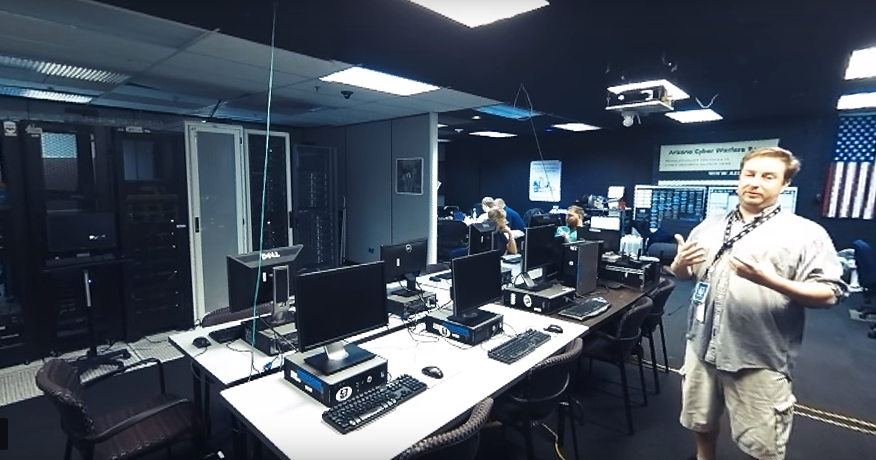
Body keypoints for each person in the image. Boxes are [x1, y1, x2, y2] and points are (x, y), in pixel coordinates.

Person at [670, 147, 847, 460]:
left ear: (784, 184)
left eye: (768, 177)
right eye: (750, 174)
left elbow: (830, 294)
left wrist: (771, 282)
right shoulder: (709, 226)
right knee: (700, 418)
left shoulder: (806, 234)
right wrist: (680, 264)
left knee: (762, 445)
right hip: (701, 345)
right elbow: (684, 275)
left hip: (758, 356)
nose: (755, 182)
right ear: (739, 177)